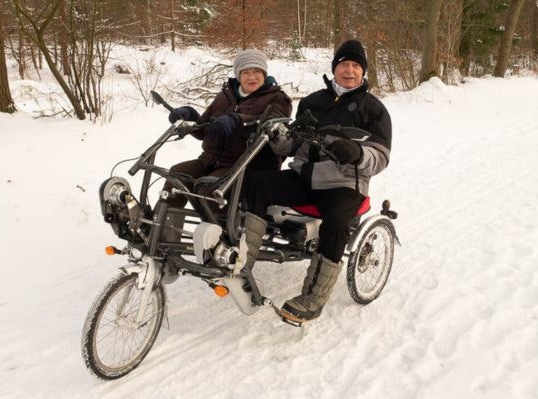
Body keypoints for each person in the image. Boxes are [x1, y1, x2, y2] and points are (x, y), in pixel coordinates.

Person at [240, 39, 392, 322]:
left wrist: (358, 152)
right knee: (256, 183)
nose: (349, 70)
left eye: (356, 65)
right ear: (335, 68)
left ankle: (313, 298)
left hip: (344, 185)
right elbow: (291, 148)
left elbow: (381, 156)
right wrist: (279, 140)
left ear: (363, 72)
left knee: (336, 223)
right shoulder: (312, 102)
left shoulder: (374, 109)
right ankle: (242, 265)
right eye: (344, 64)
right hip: (305, 177)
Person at [160, 49, 292, 238]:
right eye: (246, 72)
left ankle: (221, 245)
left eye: (257, 71)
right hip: (211, 161)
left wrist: (239, 120)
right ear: (238, 75)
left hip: (249, 165)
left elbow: (271, 124)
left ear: (264, 74)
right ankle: (163, 238)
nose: (252, 77)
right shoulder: (225, 96)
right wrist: (189, 116)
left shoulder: (278, 99)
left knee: (210, 190)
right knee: (177, 175)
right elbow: (204, 128)